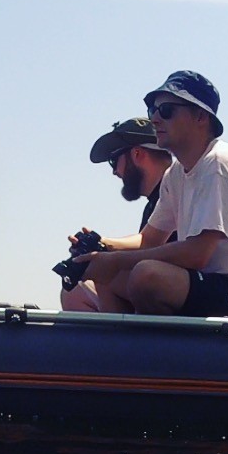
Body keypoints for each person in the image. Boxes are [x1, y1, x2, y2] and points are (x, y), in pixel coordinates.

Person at [77, 70, 228, 318]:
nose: (155, 119)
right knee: (105, 275)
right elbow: (149, 239)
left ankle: (150, 351)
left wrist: (118, 261)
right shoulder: (175, 174)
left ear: (200, 116)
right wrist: (103, 246)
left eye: (166, 110)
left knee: (147, 276)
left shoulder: (219, 165)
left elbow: (198, 254)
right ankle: (127, 353)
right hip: (211, 285)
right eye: (152, 111)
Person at [60, 118, 173, 312]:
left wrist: (103, 253)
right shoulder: (157, 201)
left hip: (185, 292)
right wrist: (100, 244)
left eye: (114, 160)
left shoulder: (180, 189)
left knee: (102, 270)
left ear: (137, 154)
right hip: (160, 286)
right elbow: (147, 240)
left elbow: (161, 251)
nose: (114, 172)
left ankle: (127, 341)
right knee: (74, 291)